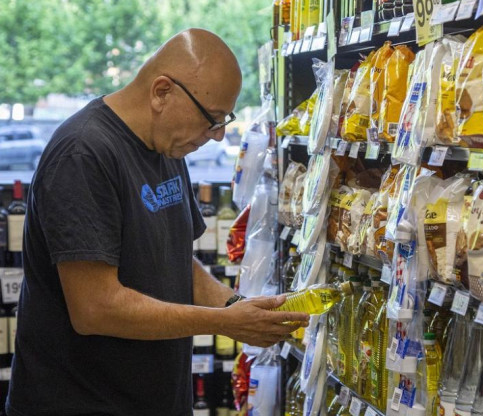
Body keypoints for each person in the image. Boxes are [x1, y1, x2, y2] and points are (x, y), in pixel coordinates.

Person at [6, 29, 309, 416]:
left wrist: (240, 306)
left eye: (223, 122)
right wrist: (224, 322)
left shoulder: (168, 144)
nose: (216, 137)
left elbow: (174, 260)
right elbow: (96, 308)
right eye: (211, 121)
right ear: (162, 91)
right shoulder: (83, 154)